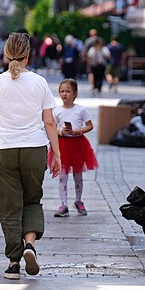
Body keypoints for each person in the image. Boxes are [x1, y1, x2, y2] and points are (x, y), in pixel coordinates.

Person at [0, 32, 61, 280]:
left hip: (2, 151)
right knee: (32, 200)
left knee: (9, 207)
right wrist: (56, 153)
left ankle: (14, 262)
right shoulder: (39, 83)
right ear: (28, 55)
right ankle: (30, 245)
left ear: (5, 54)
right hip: (34, 150)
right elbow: (50, 122)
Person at [52, 79, 98, 217]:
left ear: (75, 93)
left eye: (68, 91)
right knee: (62, 176)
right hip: (62, 145)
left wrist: (79, 131)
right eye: (62, 91)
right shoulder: (57, 110)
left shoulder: (80, 110)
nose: (64, 94)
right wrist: (60, 131)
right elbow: (51, 127)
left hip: (77, 144)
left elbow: (90, 125)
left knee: (78, 175)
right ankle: (63, 204)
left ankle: (78, 200)